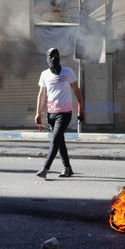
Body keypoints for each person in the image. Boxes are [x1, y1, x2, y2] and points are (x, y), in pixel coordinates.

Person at [35, 48, 85, 178]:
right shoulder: (44, 74)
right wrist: (38, 113)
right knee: (60, 142)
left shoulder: (68, 72)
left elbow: (76, 90)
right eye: (51, 56)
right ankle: (67, 168)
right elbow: (41, 94)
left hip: (64, 113)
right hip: (50, 113)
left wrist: (82, 108)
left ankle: (45, 168)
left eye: (56, 56)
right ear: (47, 58)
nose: (53, 58)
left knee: (55, 140)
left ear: (59, 57)